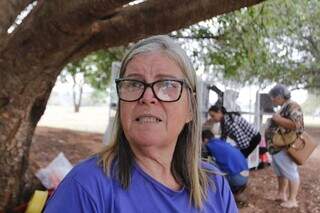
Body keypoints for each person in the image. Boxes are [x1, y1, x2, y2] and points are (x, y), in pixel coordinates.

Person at [44, 35, 238, 212]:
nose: (147, 97)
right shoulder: (87, 187)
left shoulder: (214, 184)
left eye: (167, 85)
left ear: (190, 108)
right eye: (134, 84)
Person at [265, 84, 303, 208]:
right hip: (277, 147)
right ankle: (282, 194)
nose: (272, 100)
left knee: (291, 172)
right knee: (281, 172)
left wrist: (277, 119)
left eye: (273, 97)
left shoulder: (293, 106)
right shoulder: (284, 107)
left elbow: (296, 125)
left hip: (285, 147)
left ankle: (293, 200)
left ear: (280, 96)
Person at [201, 130, 249, 198]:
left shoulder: (209, 145)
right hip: (246, 176)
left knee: (208, 164)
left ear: (205, 140)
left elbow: (204, 158)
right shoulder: (222, 142)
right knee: (218, 163)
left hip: (238, 178)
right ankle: (236, 190)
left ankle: (222, 194)